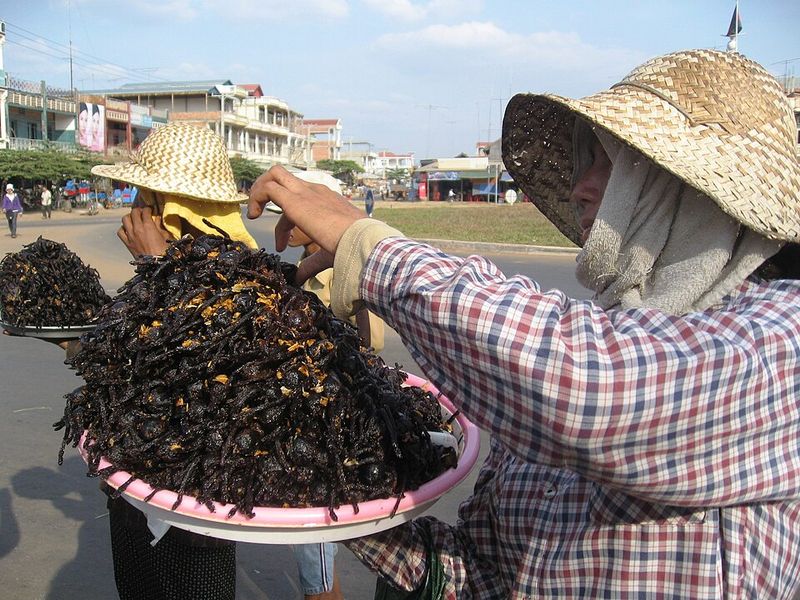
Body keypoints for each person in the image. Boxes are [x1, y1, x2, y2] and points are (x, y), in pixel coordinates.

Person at [248, 49, 800, 598]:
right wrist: (327, 491)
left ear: (685, 188)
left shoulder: (779, 338)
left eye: (608, 162)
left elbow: (586, 390)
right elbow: (482, 574)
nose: (582, 186)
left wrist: (367, 247)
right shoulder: (612, 324)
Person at [90, 122, 258, 600]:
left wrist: (160, 267)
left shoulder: (240, 276)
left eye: (147, 198)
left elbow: (214, 366)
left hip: (195, 496)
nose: (137, 209)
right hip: (131, 486)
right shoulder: (163, 266)